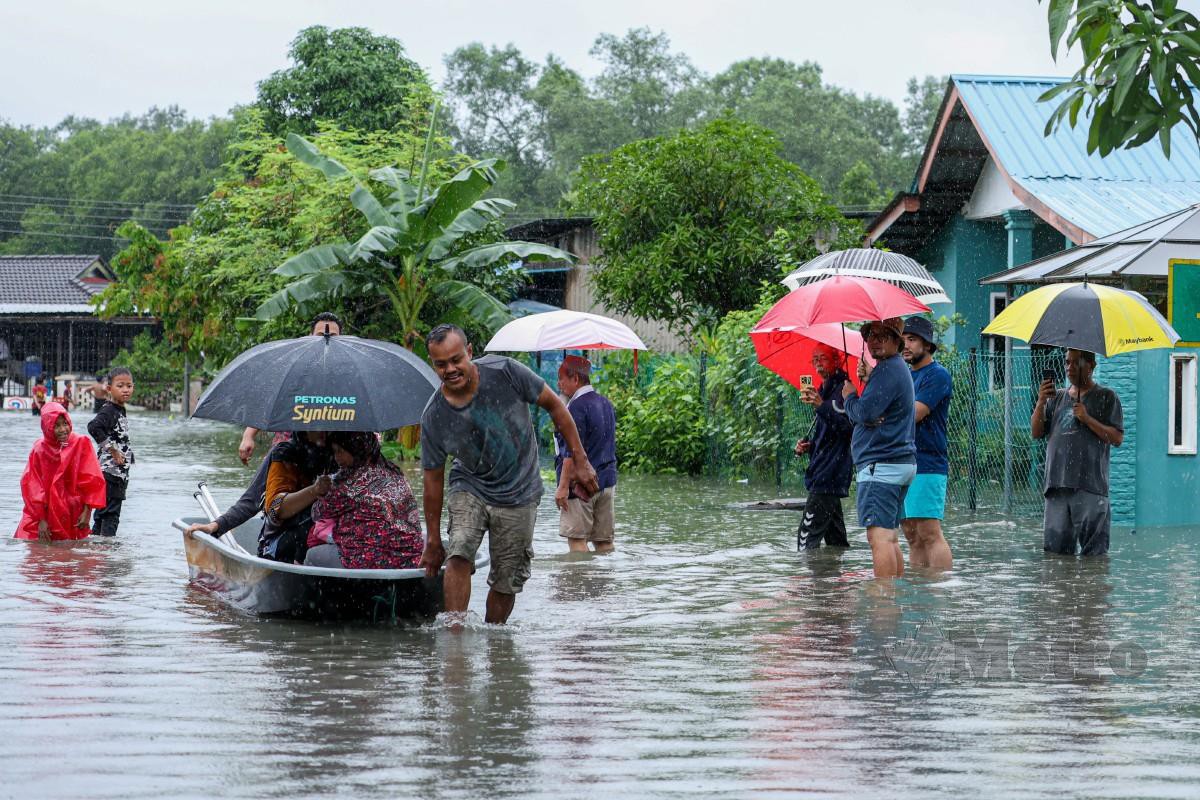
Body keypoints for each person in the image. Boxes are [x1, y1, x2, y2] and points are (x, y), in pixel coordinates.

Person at [419, 324, 599, 625]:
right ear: (433, 365)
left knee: (507, 578)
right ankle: (454, 640)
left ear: (470, 353)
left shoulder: (506, 372)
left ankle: (495, 640)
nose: (450, 369)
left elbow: (556, 406)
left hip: (519, 489)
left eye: (456, 360)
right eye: (441, 364)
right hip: (470, 484)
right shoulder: (434, 416)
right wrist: (434, 539)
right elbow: (432, 482)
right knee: (459, 550)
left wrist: (580, 460)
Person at [841, 318, 916, 579]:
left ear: (897, 341)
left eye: (884, 336)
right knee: (891, 537)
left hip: (881, 464)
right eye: (871, 335)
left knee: (879, 537)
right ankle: (893, 598)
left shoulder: (887, 370)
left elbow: (864, 412)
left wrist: (849, 395)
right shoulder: (895, 369)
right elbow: (874, 411)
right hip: (899, 462)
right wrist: (869, 380)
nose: (875, 340)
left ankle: (882, 601)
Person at [1031, 348, 1123, 556]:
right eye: (1067, 362)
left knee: (1094, 557)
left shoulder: (1107, 397)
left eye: (1076, 363)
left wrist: (1087, 419)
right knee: (1055, 557)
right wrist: (1040, 402)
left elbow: (1116, 438)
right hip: (1057, 487)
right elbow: (1037, 432)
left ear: (1091, 366)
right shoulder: (1056, 398)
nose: (1069, 368)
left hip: (1090, 487)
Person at [302, 431, 424, 569]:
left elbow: (318, 512)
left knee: (311, 555)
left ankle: (314, 588)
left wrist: (321, 490)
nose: (337, 458)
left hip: (367, 560)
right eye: (334, 452)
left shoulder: (349, 484)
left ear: (357, 448)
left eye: (340, 451)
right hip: (409, 557)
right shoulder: (397, 474)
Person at [237, 312, 342, 465]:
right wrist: (248, 436)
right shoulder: (295, 366)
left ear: (341, 338)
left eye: (333, 335)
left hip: (335, 443)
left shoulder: (349, 369)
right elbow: (270, 401)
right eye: (320, 334)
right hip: (291, 442)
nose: (326, 339)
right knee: (279, 457)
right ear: (310, 336)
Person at [899, 317, 954, 570]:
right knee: (911, 533)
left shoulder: (937, 374)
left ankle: (938, 590)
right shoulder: (906, 375)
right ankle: (918, 589)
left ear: (928, 344)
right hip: (903, 460)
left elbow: (916, 413)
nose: (905, 345)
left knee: (929, 531)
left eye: (912, 339)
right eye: (903, 340)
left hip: (928, 462)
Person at [15, 402, 108, 541]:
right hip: (46, 512)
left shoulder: (80, 443)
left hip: (73, 511)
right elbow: (32, 485)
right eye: (56, 425)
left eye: (65, 423)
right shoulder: (39, 450)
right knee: (39, 552)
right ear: (47, 427)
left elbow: (92, 479)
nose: (63, 429)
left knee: (72, 554)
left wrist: (87, 511)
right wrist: (41, 519)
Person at [554, 355, 619, 554]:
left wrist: (563, 488)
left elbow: (570, 453)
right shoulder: (605, 403)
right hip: (606, 483)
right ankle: (603, 584)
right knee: (604, 543)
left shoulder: (575, 407)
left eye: (562, 379)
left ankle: (580, 584)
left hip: (580, 485)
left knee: (577, 541)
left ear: (575, 379)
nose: (559, 384)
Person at [794, 344, 854, 550]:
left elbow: (848, 429)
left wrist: (822, 405)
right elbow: (829, 436)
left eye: (823, 358)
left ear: (837, 361)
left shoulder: (844, 391)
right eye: (815, 359)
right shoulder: (825, 390)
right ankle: (835, 582)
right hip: (826, 473)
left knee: (805, 542)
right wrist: (809, 447)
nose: (818, 363)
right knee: (837, 543)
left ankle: (809, 582)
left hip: (828, 475)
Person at [260, 431, 333, 563]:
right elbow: (274, 508)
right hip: (284, 538)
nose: (324, 431)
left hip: (326, 535)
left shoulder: (337, 450)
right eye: (318, 426)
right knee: (309, 521)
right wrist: (315, 490)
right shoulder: (286, 453)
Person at [87, 368, 135, 537]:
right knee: (111, 514)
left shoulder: (119, 409)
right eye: (120, 385)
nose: (125, 389)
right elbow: (93, 427)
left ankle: (96, 552)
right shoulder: (110, 410)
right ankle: (107, 556)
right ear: (109, 389)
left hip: (113, 473)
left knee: (102, 513)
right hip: (111, 472)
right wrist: (113, 450)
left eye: (129, 385)